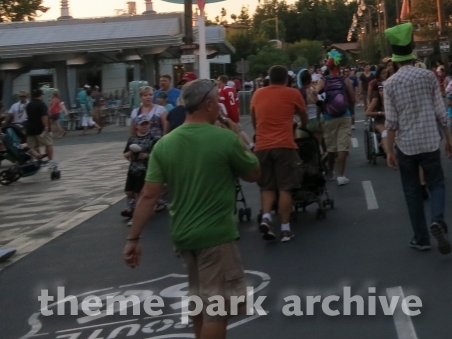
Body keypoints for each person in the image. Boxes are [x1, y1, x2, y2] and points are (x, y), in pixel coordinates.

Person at [124, 79, 260, 339]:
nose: (220, 105)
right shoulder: (223, 139)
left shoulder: (165, 144)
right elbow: (254, 173)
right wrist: (237, 135)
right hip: (216, 236)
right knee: (217, 310)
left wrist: (133, 239)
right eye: (217, 100)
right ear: (208, 105)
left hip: (183, 235)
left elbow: (148, 196)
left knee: (199, 303)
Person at [383, 22, 452, 254]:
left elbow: (391, 122)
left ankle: (421, 238)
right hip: (429, 140)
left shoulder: (390, 84)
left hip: (406, 144)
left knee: (412, 191)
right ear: (413, 51)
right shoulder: (428, 77)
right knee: (437, 183)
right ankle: (438, 220)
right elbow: (440, 111)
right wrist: (449, 138)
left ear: (394, 58)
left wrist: (389, 150)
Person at [250, 64, 308, 242]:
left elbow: (254, 119)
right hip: (284, 145)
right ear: (286, 79)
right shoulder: (292, 93)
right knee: (285, 187)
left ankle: (266, 217)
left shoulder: (257, 94)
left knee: (266, 185)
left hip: (262, 145)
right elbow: (303, 114)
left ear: (269, 78)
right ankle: (285, 228)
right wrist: (301, 126)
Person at [318, 61, 352, 184]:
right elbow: (352, 97)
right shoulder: (345, 80)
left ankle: (331, 171)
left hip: (328, 117)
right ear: (339, 66)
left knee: (331, 147)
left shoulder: (322, 81)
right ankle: (341, 176)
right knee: (342, 147)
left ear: (328, 67)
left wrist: (319, 116)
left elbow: (319, 100)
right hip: (344, 115)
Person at [121, 119, 157, 220]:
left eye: (147, 124)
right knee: (129, 192)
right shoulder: (132, 139)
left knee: (138, 193)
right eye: (142, 124)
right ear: (137, 126)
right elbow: (125, 154)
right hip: (133, 168)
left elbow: (158, 154)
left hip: (145, 169)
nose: (145, 126)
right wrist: (130, 154)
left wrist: (147, 156)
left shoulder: (153, 138)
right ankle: (142, 208)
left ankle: (137, 216)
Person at [24, 89, 55, 164]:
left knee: (32, 146)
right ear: (41, 95)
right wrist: (46, 126)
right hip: (40, 128)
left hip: (30, 128)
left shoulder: (29, 104)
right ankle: (50, 160)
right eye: (42, 95)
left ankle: (38, 158)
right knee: (48, 143)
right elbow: (44, 116)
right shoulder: (41, 104)